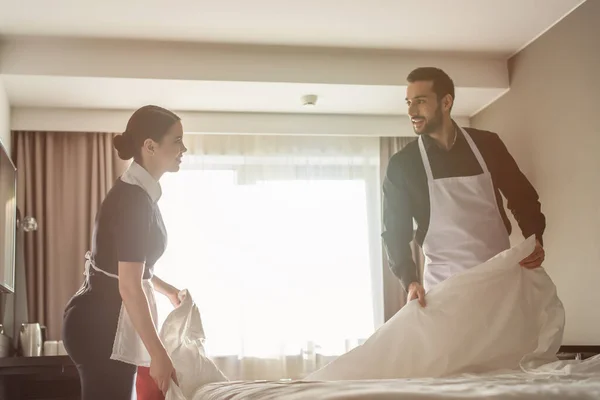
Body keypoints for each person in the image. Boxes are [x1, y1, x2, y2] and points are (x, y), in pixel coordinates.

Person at [382, 67, 546, 308]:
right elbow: (394, 234)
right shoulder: (403, 165)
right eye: (408, 102)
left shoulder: (488, 144)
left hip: (500, 285)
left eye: (420, 101)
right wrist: (410, 281)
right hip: (444, 293)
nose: (411, 111)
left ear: (446, 102)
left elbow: (522, 196)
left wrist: (536, 238)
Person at [62, 105, 188, 399]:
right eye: (177, 140)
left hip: (103, 322)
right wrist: (158, 354)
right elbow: (130, 286)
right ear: (150, 146)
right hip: (99, 327)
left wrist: (165, 288)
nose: (184, 148)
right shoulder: (133, 200)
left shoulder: (139, 194)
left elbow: (127, 264)